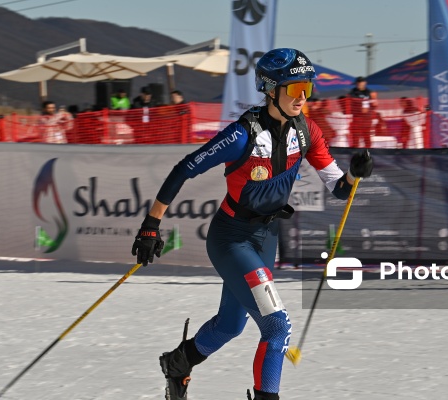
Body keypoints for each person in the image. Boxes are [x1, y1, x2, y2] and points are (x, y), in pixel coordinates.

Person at [130, 48, 373, 400]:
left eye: (307, 87)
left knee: (230, 325)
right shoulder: (242, 135)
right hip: (232, 239)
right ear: (271, 90)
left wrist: (355, 173)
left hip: (265, 238)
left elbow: (339, 189)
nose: (302, 97)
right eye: (293, 89)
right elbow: (185, 168)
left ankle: (178, 363)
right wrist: (151, 225)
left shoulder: (307, 131)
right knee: (277, 327)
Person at [348, 76, 374, 148]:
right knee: (356, 136)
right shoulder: (353, 92)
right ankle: (355, 151)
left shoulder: (368, 92)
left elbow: (373, 104)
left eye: (361, 82)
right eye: (358, 82)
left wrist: (374, 101)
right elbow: (350, 102)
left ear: (365, 83)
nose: (359, 84)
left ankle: (368, 152)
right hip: (357, 117)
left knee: (367, 136)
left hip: (367, 118)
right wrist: (361, 106)